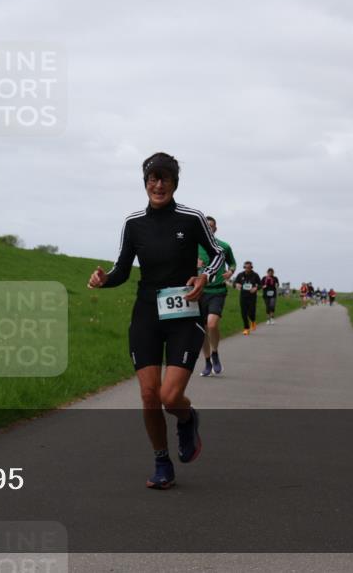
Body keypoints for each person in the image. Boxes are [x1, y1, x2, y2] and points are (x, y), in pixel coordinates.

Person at [88, 152, 224, 490]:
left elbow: (218, 254)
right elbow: (122, 269)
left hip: (183, 315)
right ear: (145, 182)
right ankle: (162, 461)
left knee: (169, 397)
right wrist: (105, 279)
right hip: (147, 313)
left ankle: (187, 417)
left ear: (175, 183)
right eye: (152, 178)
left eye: (165, 178)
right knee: (149, 396)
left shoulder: (191, 218)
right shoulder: (134, 223)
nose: (158, 184)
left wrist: (204, 276)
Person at [196, 216, 236, 377]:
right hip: (199, 292)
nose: (209, 229)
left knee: (212, 325)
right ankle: (206, 361)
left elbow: (232, 263)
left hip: (217, 291)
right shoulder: (194, 246)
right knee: (202, 330)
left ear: (215, 229)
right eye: (206, 226)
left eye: (211, 226)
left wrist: (231, 271)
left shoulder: (224, 246)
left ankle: (215, 353)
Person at [233, 261, 261, 335]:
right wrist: (236, 284)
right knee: (243, 313)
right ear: (244, 267)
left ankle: (253, 321)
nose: (247, 269)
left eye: (249, 267)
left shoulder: (255, 275)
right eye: (246, 267)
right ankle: (246, 328)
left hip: (252, 297)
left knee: (251, 312)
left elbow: (260, 284)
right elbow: (234, 283)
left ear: (251, 267)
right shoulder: (240, 275)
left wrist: (256, 288)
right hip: (243, 296)